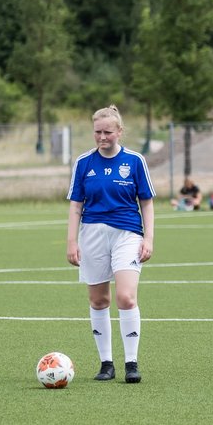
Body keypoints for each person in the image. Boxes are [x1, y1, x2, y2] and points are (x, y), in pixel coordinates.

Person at [66, 105, 154, 383]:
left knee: (126, 297)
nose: (102, 137)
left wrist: (148, 238)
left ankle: (131, 363)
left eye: (107, 132)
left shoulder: (135, 161)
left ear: (119, 132)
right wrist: (71, 242)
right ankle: (106, 364)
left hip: (127, 233)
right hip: (91, 234)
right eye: (97, 132)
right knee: (98, 299)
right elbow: (76, 205)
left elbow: (147, 202)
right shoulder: (83, 163)